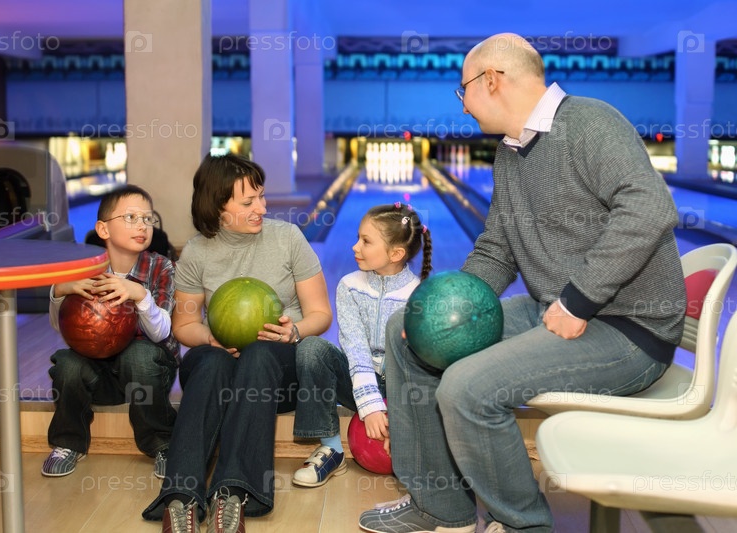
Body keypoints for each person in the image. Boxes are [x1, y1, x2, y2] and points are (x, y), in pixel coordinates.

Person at [359, 33, 687, 533]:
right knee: (407, 333)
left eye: (463, 90)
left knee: (467, 388)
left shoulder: (590, 123)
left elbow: (649, 208)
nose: (463, 105)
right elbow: (497, 248)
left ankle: (523, 525)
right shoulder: (510, 155)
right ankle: (440, 507)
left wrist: (578, 302)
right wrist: (442, 310)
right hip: (552, 311)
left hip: (628, 330)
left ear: (491, 79)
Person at [141, 153, 333, 533]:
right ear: (217, 207)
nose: (262, 208)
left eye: (261, 196)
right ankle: (181, 497)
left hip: (278, 374)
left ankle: (234, 492)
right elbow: (184, 325)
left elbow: (320, 314)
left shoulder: (288, 239)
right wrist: (209, 337)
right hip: (220, 371)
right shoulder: (196, 252)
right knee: (210, 360)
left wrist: (293, 331)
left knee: (258, 353)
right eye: (248, 202)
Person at [43, 185, 179, 479]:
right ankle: (68, 443)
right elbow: (60, 327)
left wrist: (140, 295)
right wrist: (60, 290)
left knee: (139, 355)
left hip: (149, 374)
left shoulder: (161, 267)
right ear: (103, 229)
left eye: (148, 218)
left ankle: (163, 443)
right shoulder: (84, 268)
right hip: (101, 377)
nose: (142, 225)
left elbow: (161, 333)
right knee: (67, 362)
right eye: (131, 217)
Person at [292, 202, 432, 487]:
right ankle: (332, 449)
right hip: (358, 381)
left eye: (366, 241)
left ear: (396, 254)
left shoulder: (420, 294)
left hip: (403, 386)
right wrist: (370, 405)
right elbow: (355, 348)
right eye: (358, 238)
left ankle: (420, 452)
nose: (355, 246)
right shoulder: (349, 286)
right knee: (311, 349)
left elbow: (419, 366)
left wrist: (399, 415)